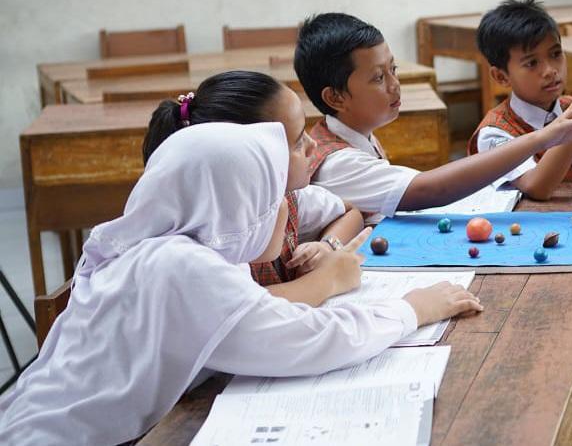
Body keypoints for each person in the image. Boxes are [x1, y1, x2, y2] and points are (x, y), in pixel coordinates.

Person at [0, 122, 482, 445]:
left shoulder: (153, 246)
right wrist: (413, 309)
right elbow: (312, 339)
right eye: (273, 194)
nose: (283, 207)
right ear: (237, 203)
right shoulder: (185, 268)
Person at [294, 13, 572, 223]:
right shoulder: (338, 162)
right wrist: (544, 137)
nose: (395, 84)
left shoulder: (359, 136)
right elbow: (430, 188)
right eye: (377, 78)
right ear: (335, 97)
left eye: (393, 70)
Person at [144, 70, 364, 305]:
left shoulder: (286, 197)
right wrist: (328, 279)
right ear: (249, 158)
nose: (313, 145)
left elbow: (350, 212)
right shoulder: (209, 236)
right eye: (298, 141)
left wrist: (326, 246)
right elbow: (239, 310)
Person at [469, 0, 572, 198]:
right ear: (501, 77)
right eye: (531, 63)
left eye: (555, 54)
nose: (549, 70)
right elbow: (536, 187)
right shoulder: (494, 133)